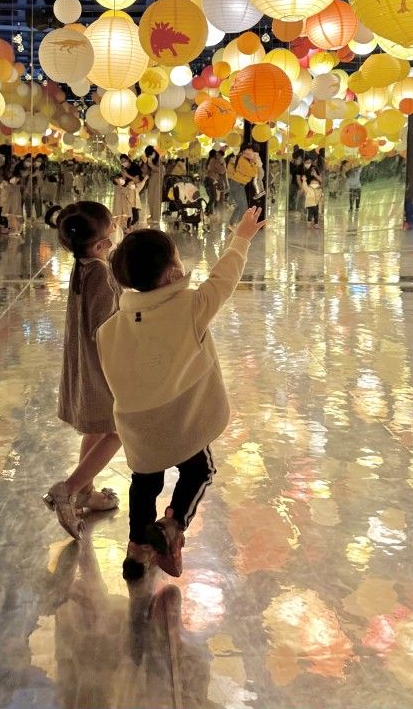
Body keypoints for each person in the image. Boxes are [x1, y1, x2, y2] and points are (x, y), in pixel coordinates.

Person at [98, 206, 266, 581]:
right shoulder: (191, 308)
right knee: (200, 470)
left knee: (144, 483)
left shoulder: (109, 329)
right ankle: (172, 526)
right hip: (184, 420)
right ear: (173, 273)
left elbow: (113, 375)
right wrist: (242, 237)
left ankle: (135, 553)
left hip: (138, 427)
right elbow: (224, 278)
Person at [43, 202, 121, 539]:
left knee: (95, 426)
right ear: (103, 244)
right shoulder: (102, 274)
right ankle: (69, 488)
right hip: (100, 367)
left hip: (82, 363)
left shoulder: (84, 265)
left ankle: (87, 491)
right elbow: (105, 328)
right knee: (120, 429)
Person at [227, 146, 260, 226]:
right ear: (245, 151)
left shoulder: (244, 160)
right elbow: (252, 173)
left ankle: (232, 223)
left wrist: (253, 163)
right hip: (238, 184)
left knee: (240, 205)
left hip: (237, 184)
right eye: (249, 150)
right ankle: (241, 225)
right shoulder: (243, 160)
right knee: (243, 206)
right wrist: (254, 163)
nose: (251, 153)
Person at [119, 154, 144, 226]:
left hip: (136, 187)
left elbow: (138, 180)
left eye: (124, 161)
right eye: (122, 162)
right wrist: (123, 177)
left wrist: (127, 175)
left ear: (128, 159)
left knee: (132, 202)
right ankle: (131, 220)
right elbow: (124, 181)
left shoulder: (135, 167)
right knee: (129, 203)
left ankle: (133, 219)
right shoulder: (125, 169)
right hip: (128, 188)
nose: (123, 163)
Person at [0, 172, 24, 236]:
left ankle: (15, 230)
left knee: (12, 217)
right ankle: (17, 229)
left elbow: (8, 191)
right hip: (13, 203)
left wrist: (3, 187)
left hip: (12, 203)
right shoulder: (17, 186)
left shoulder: (13, 186)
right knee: (13, 217)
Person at [143, 146, 163, 225]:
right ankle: (152, 216)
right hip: (152, 181)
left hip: (157, 181)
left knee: (156, 199)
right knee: (151, 199)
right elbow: (146, 170)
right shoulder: (150, 159)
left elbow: (160, 170)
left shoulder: (158, 159)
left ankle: (156, 218)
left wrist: (151, 165)